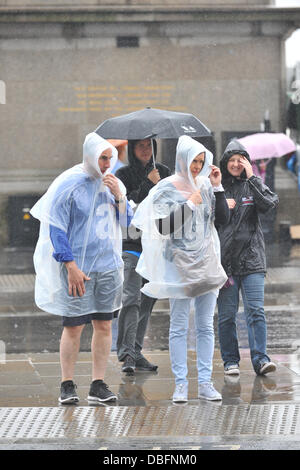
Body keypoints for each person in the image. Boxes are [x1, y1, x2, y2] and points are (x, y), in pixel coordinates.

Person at [30, 132, 133, 404]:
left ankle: (98, 384)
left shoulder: (113, 184)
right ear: (90, 155)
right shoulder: (69, 183)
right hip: (80, 269)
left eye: (110, 158)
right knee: (74, 325)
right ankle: (67, 383)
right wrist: (70, 264)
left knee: (104, 326)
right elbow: (56, 228)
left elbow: (128, 224)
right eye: (102, 158)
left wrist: (119, 196)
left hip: (109, 266)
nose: (107, 164)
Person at [132, 135, 229, 403]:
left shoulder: (206, 186)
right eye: (193, 161)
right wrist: (188, 205)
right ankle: (181, 384)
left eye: (201, 161)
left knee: (205, 326)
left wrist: (218, 188)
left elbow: (222, 219)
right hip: (179, 266)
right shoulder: (167, 188)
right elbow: (162, 227)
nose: (197, 167)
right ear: (183, 159)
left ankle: (206, 383)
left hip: (207, 262)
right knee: (178, 325)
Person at [217, 140, 279, 377]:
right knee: (226, 316)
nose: (235, 164)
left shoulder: (253, 184)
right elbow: (208, 218)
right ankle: (230, 361)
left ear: (246, 162)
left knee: (256, 311)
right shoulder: (218, 186)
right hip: (226, 264)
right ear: (225, 163)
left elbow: (269, 205)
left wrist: (253, 177)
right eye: (231, 160)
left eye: (239, 160)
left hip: (252, 261)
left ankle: (261, 359)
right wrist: (221, 204)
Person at [115, 138, 171, 373]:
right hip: (131, 243)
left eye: (150, 146)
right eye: (141, 146)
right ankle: (127, 353)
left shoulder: (165, 172)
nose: (146, 150)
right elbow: (127, 206)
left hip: (155, 245)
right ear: (132, 150)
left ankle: (136, 351)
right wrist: (149, 184)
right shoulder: (123, 174)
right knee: (131, 299)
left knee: (148, 299)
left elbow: (170, 206)